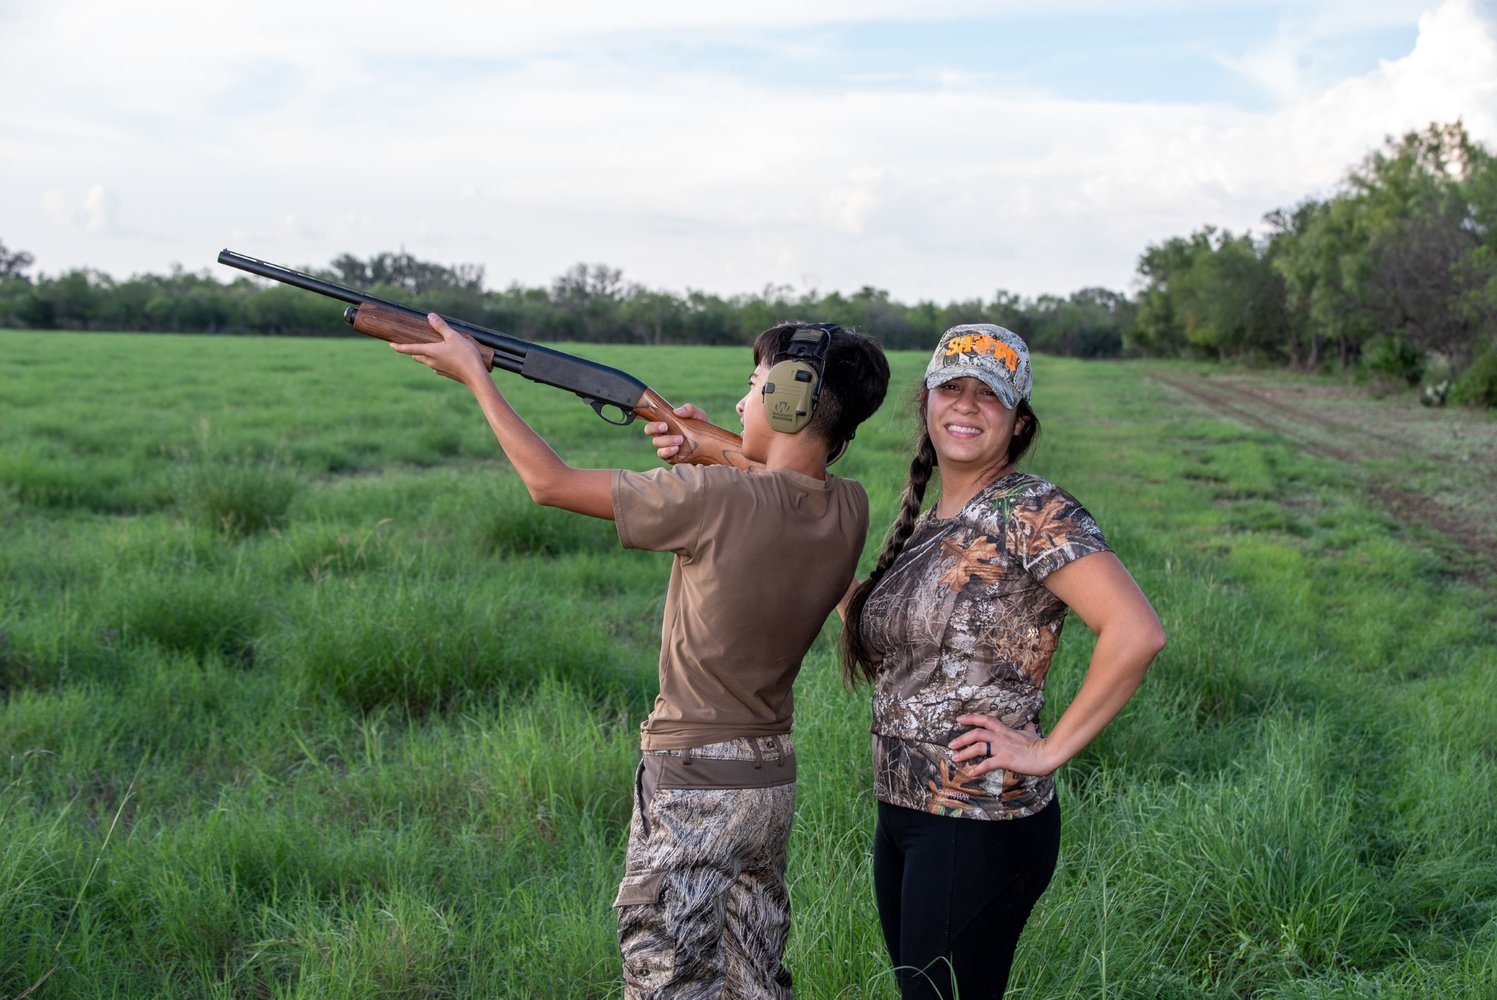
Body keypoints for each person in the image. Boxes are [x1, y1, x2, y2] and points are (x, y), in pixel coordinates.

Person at [395, 314, 890, 999]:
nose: (741, 404)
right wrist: (707, 449)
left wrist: (476, 377)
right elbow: (780, 484)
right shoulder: (849, 505)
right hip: (768, 778)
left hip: (691, 778)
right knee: (752, 977)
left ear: (789, 397)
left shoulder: (715, 497)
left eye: (753, 387)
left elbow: (550, 483)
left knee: (666, 979)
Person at [836, 324, 1167, 999]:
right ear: (925, 404)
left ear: (1016, 423)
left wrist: (1045, 751)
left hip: (978, 820)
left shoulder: (1029, 509)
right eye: (950, 389)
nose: (965, 406)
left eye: (988, 396)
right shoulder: (930, 523)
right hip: (904, 811)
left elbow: (1134, 632)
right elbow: (884, 634)